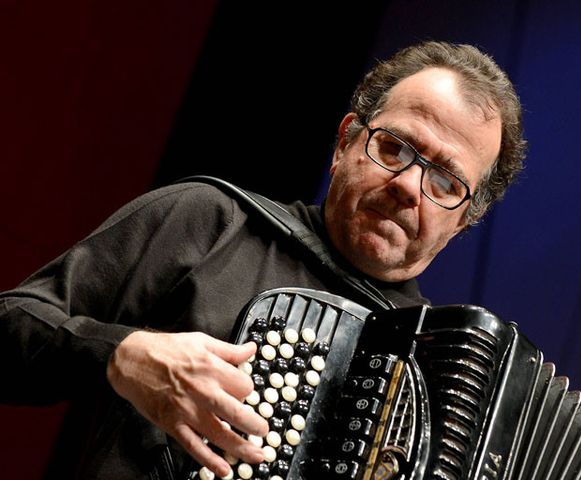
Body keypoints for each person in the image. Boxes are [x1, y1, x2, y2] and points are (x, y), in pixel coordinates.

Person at [0, 41, 526, 479]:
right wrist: (121, 354)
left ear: (463, 222)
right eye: (394, 148)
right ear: (345, 142)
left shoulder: (439, 387)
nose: (409, 186)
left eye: (444, 181)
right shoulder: (210, 222)